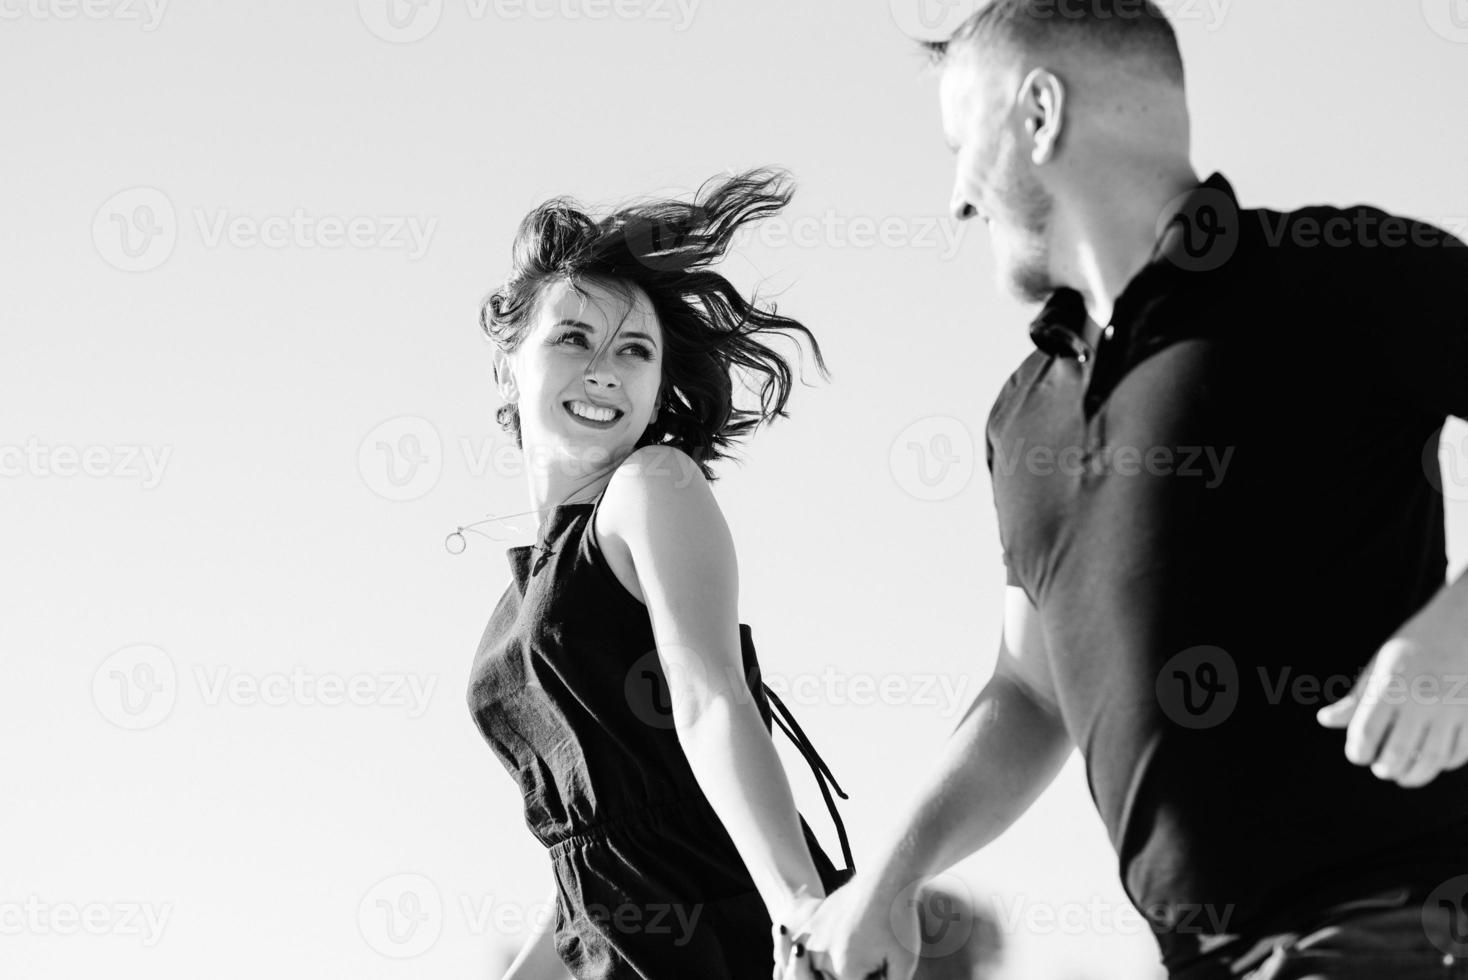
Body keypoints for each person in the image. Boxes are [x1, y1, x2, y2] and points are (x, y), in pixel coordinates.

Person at [776, 3, 1468, 979]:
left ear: (1038, 112)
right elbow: (1027, 695)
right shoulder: (1020, 421)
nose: (954, 199)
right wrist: (888, 876)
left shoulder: (1338, 275)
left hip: (1392, 924)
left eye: (958, 143)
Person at [464, 168, 854, 980]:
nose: (606, 368)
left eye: (634, 349)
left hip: (730, 929)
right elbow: (588, 863)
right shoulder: (518, 604)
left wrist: (801, 918)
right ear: (509, 366)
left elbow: (713, 700)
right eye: (573, 338)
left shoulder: (653, 487)